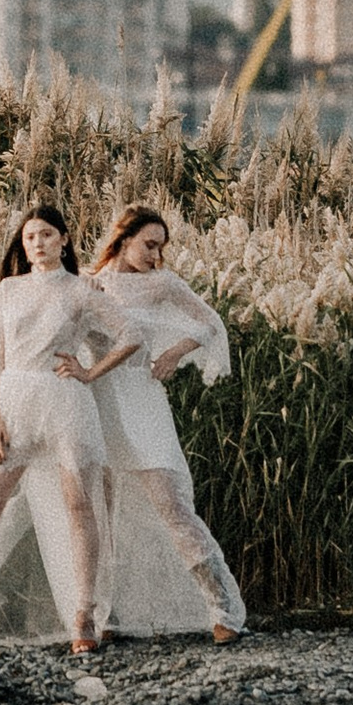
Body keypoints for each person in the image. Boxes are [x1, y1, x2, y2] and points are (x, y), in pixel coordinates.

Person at [0, 205, 141, 657]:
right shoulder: (9, 290)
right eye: (29, 237)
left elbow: (131, 335)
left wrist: (89, 371)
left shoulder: (80, 290)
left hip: (65, 403)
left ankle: (84, 615)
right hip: (14, 402)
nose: (37, 243)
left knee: (78, 504)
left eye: (46, 234)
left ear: (64, 240)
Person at [88, 205, 246, 643]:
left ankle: (223, 609)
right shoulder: (89, 282)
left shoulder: (162, 283)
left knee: (172, 505)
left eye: (161, 247)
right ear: (123, 239)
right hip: (98, 399)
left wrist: (175, 353)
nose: (156, 255)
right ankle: (101, 617)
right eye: (149, 245)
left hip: (141, 397)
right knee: (101, 511)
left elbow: (210, 323)